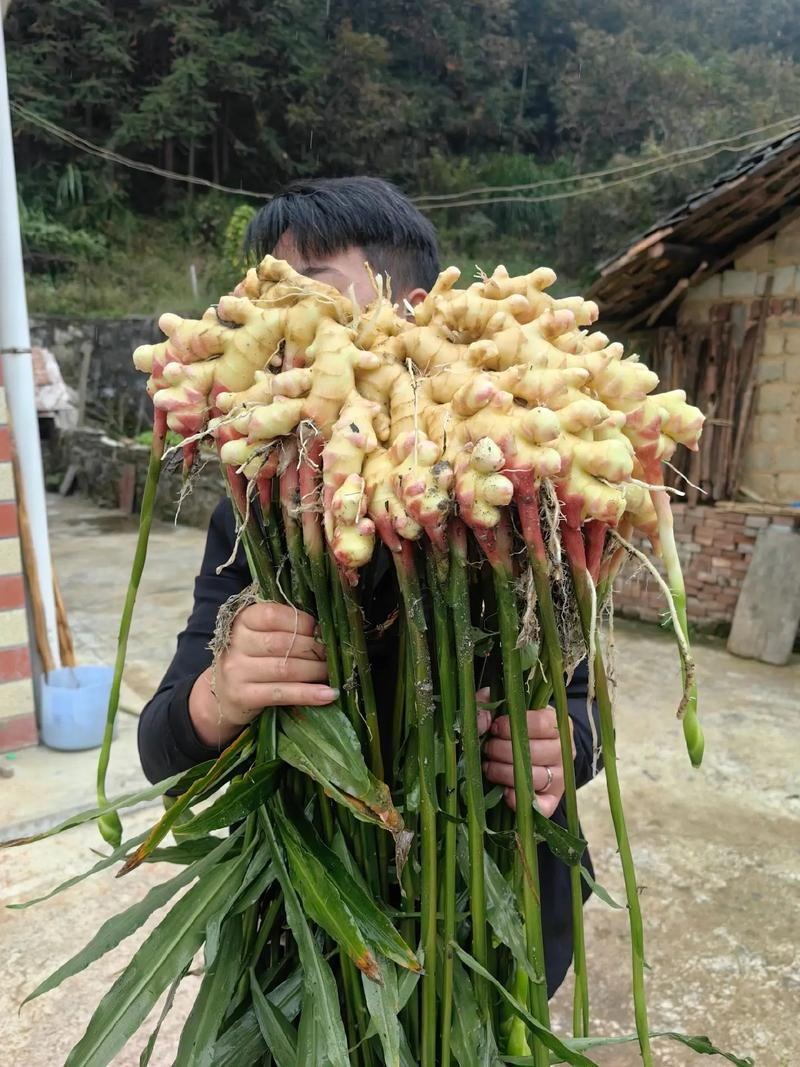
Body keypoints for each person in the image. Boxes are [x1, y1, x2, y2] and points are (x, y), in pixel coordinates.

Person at [138, 175, 600, 997]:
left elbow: (579, 705)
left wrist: (564, 745)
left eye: (308, 293)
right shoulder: (254, 515)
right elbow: (160, 743)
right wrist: (220, 694)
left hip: (491, 929)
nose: (279, 327)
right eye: (262, 298)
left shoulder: (518, 498)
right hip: (313, 941)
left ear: (408, 310)